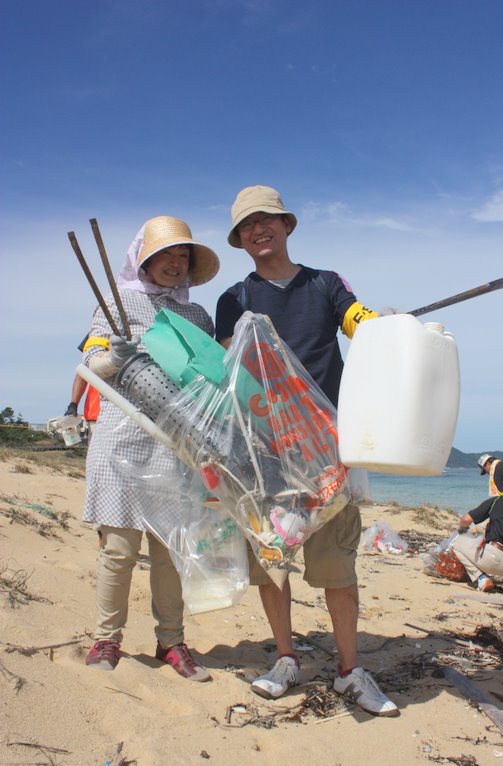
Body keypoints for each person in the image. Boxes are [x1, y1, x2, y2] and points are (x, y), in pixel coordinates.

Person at [215, 185, 398, 717]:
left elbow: (354, 318)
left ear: (286, 225)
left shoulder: (324, 283)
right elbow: (227, 373)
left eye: (266, 219)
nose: (258, 230)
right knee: (272, 565)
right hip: (265, 454)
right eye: (247, 225)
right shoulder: (234, 299)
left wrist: (378, 326)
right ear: (240, 239)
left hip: (328, 450)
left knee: (337, 565)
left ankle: (349, 670)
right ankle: (286, 658)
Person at [83, 216, 219, 679]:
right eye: (166, 255)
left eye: (183, 255)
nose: (175, 263)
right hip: (122, 437)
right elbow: (91, 362)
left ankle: (171, 643)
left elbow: (209, 377)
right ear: (144, 259)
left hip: (176, 444)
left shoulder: (197, 316)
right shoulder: (116, 302)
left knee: (168, 551)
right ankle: (106, 639)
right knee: (119, 549)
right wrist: (112, 357)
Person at [453, 483, 503, 597]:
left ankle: (481, 578)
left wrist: (462, 529)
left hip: (491, 560)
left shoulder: (498, 500)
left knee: (458, 542)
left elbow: (466, 519)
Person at [64, 336, 108, 438]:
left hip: (99, 415)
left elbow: (83, 371)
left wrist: (74, 404)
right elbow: (83, 371)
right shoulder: (97, 334)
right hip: (98, 415)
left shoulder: (97, 334)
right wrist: (73, 404)